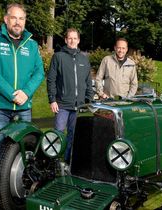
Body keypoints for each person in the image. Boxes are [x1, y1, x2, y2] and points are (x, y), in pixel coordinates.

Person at [0, 3, 45, 206]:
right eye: (14, 18)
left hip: (24, 107)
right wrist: (11, 94)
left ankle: (20, 189)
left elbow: (39, 72)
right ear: (6, 19)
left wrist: (26, 92)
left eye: (22, 18)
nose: (18, 22)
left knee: (26, 149)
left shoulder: (32, 44)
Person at [46, 28, 94, 162]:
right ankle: (53, 163)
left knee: (73, 136)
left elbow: (88, 82)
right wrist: (52, 99)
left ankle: (67, 163)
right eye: (69, 38)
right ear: (66, 40)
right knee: (58, 135)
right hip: (62, 105)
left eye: (75, 38)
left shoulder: (84, 59)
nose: (72, 41)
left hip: (79, 106)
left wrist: (88, 100)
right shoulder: (58, 57)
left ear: (78, 40)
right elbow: (51, 79)